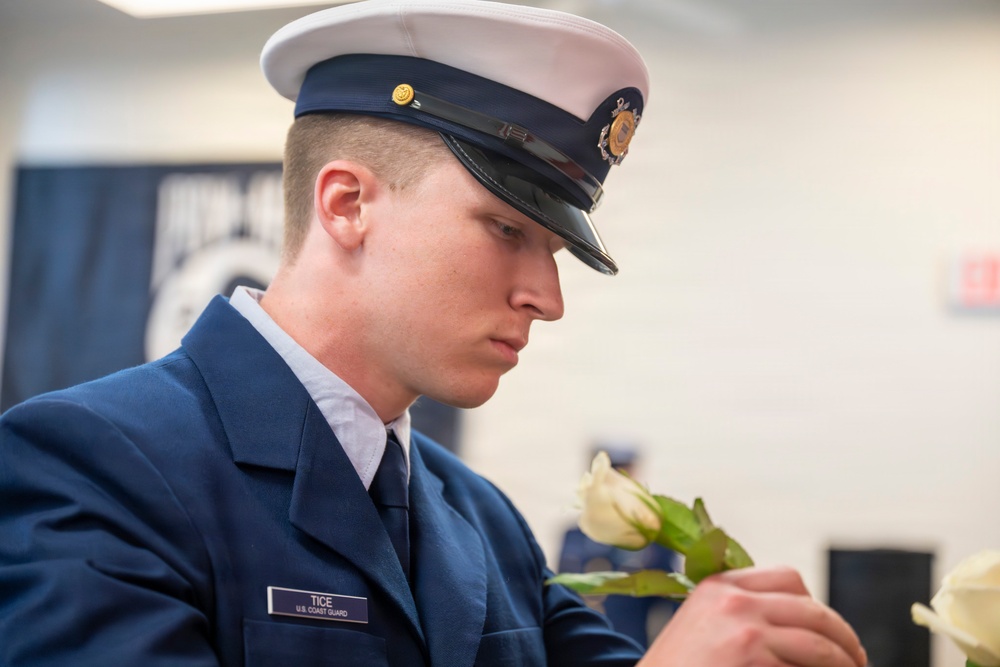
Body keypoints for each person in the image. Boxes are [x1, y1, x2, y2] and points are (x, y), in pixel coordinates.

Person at [0, 1, 867, 666]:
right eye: (505, 229)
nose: (546, 297)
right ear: (348, 203)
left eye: (556, 247)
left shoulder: (481, 519)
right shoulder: (91, 466)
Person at [558, 446, 680, 648]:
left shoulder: (657, 541)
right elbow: (563, 592)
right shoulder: (574, 536)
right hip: (581, 647)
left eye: (622, 473)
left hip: (633, 647)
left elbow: (670, 602)